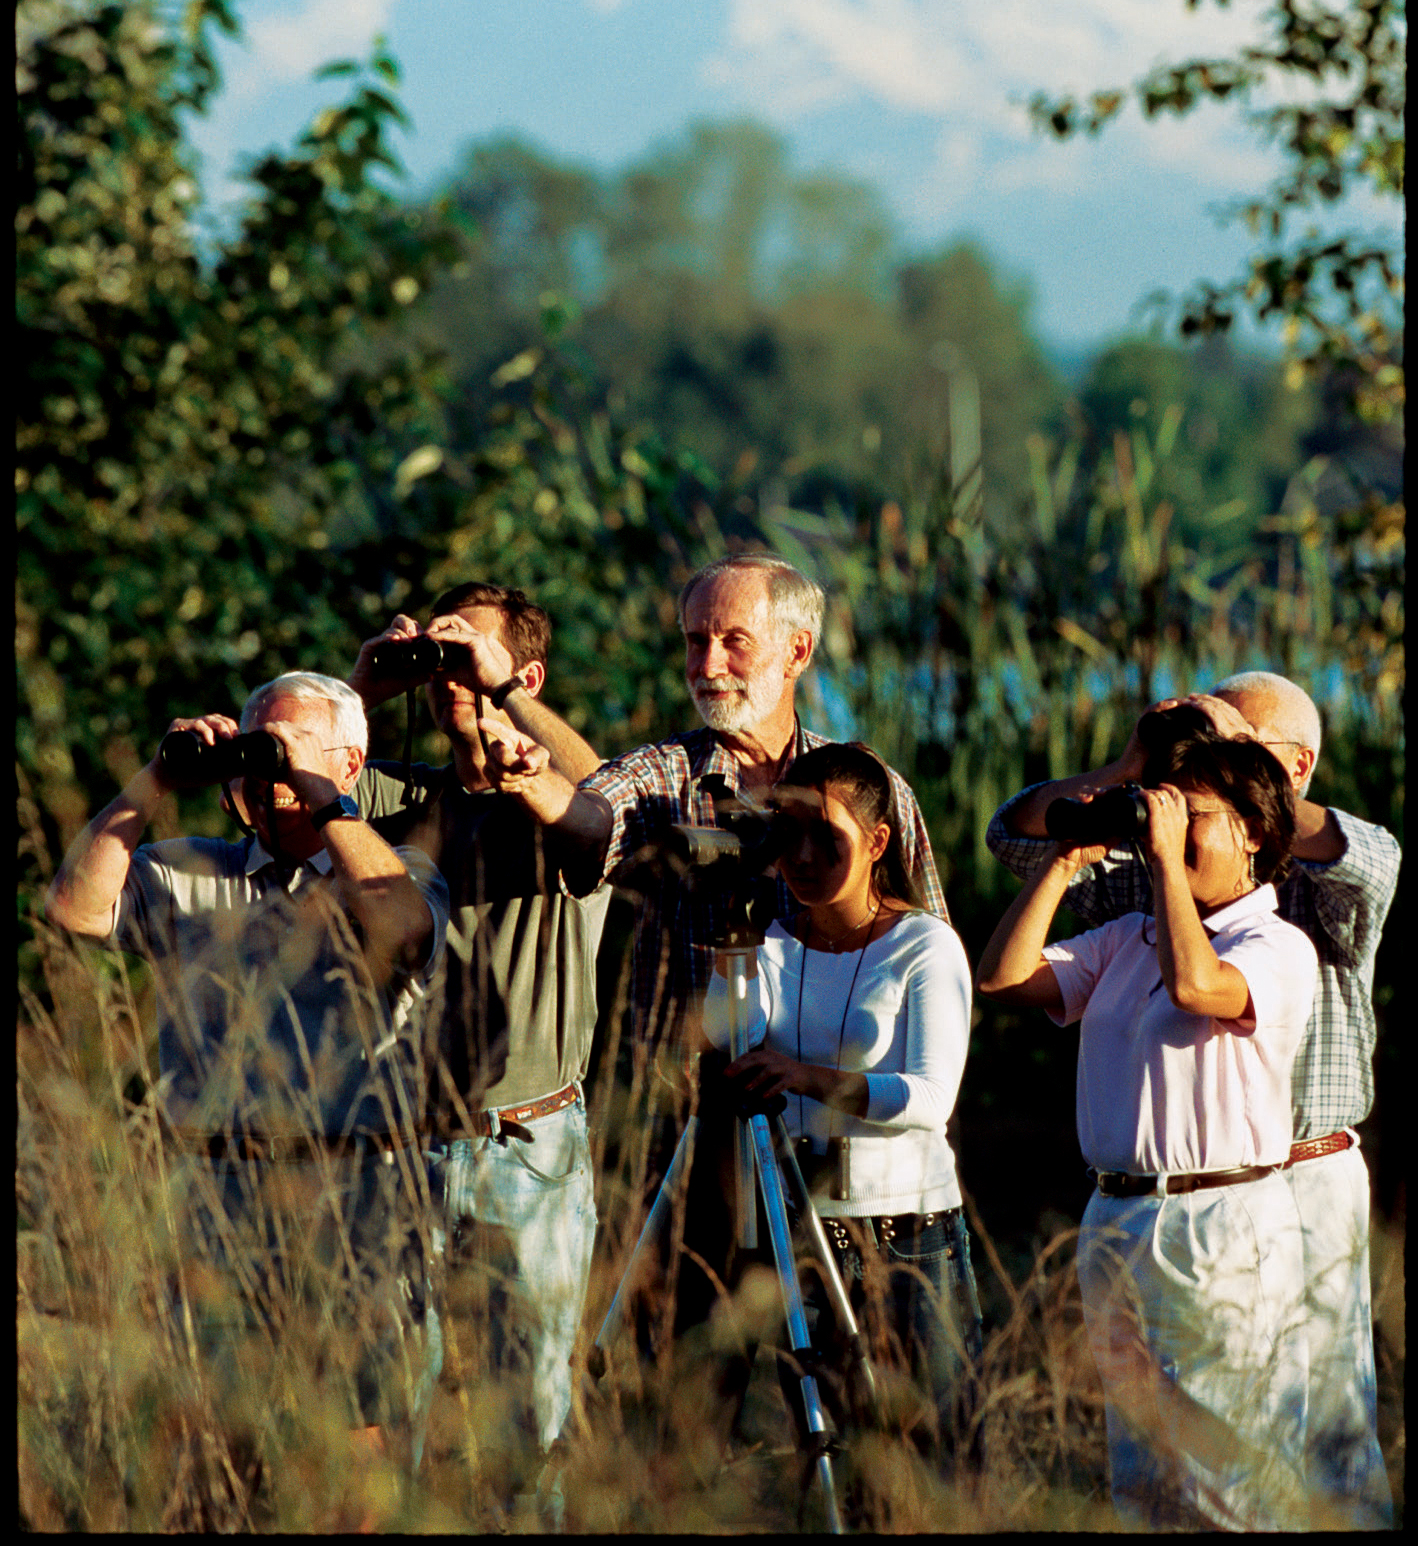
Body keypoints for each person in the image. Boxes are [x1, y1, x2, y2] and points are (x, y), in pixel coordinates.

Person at [984, 671, 1397, 1528]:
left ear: (1261, 815)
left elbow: (1199, 984)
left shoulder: (1285, 931)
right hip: (1121, 1215)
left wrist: (1196, 821)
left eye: (1198, 804)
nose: (1168, 818)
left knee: (1274, 1461)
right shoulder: (1134, 924)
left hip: (1250, 1204)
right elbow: (1002, 962)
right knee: (1145, 1479)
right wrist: (1100, 811)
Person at [42, 672, 450, 1507]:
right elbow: (74, 911)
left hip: (349, 1195)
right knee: (207, 1445)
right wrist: (157, 778)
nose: (266, 773)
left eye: (288, 749)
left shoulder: (395, 869)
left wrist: (321, 795)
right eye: (256, 750)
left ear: (351, 762)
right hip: (211, 1194)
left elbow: (404, 928)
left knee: (356, 1450)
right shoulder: (190, 869)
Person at [347, 581, 609, 1513]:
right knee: (386, 1412)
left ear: (525, 675)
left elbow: (601, 803)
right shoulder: (398, 796)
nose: (446, 677)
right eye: (440, 660)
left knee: (526, 1420)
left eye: (469, 657)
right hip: (400, 1142)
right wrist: (364, 688)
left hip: (525, 1145)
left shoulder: (558, 801)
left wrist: (499, 696)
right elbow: (296, 781)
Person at [497, 552, 949, 1062]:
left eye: (735, 641)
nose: (708, 666)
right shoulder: (663, 775)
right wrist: (530, 782)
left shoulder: (873, 793)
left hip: (838, 1093)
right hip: (686, 1093)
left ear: (797, 652)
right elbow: (591, 817)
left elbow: (932, 967)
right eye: (696, 642)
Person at [703, 742, 980, 1464]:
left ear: (878, 841)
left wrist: (806, 1077)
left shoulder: (924, 946)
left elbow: (931, 1098)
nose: (801, 856)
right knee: (835, 1460)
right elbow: (728, 1036)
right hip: (806, 1235)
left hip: (909, 1238)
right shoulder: (771, 941)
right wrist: (735, 929)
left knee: (933, 1460)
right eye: (787, 834)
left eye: (825, 837)